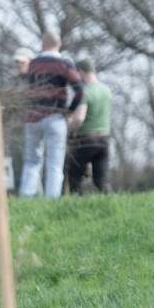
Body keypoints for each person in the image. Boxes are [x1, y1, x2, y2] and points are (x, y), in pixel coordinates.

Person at [20, 31, 84, 198]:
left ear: (42, 44)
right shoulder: (64, 63)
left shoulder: (32, 64)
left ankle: (25, 198)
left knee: (32, 161)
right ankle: (52, 200)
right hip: (55, 117)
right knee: (54, 163)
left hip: (33, 117)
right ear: (59, 44)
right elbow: (79, 91)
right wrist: (69, 111)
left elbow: (25, 84)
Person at [68, 59, 112, 193]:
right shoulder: (106, 90)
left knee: (75, 177)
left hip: (86, 139)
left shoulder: (84, 92)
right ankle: (113, 203)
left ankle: (75, 207)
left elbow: (79, 118)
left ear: (80, 72)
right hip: (104, 139)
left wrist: (69, 128)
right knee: (101, 180)